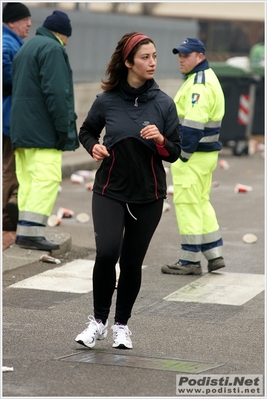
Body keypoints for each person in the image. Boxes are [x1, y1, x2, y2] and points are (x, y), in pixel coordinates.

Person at [76, 32, 181, 349]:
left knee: (132, 262)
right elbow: (87, 130)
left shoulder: (163, 103)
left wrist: (161, 141)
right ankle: (98, 322)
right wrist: (94, 146)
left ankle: (121, 325)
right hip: (109, 189)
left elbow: (175, 151)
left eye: (155, 56)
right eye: (145, 57)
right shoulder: (106, 100)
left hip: (148, 195)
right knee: (107, 252)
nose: (152, 62)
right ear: (128, 62)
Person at [10, 10, 79, 251]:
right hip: (42, 132)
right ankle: (31, 233)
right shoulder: (53, 49)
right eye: (67, 38)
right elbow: (57, 94)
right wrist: (64, 130)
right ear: (61, 33)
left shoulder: (26, 48)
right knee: (47, 179)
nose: (67, 43)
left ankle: (25, 231)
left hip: (21, 131)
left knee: (28, 181)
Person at [161, 38, 226, 276]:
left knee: (187, 204)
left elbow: (193, 125)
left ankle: (189, 260)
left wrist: (180, 154)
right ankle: (214, 255)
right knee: (201, 202)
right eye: (179, 55)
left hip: (193, 156)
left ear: (199, 56)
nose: (181, 59)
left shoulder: (198, 85)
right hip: (205, 155)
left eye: (186, 55)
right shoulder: (206, 78)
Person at [2, 2, 31, 231]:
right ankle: (5, 217)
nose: (29, 24)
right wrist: (24, 76)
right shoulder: (6, 41)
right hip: (10, 117)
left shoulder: (13, 41)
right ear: (11, 21)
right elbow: (5, 70)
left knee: (13, 167)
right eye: (25, 20)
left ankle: (11, 207)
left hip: (12, 116)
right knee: (10, 168)